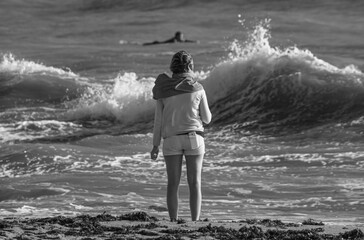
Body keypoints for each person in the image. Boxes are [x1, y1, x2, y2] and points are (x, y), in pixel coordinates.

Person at [150, 50, 212, 222]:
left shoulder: (162, 89)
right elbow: (207, 119)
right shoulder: (198, 88)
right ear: (190, 66)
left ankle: (173, 222)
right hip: (194, 138)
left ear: (173, 67)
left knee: (173, 184)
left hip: (171, 140)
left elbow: (158, 122)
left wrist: (155, 145)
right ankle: (195, 222)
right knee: (195, 183)